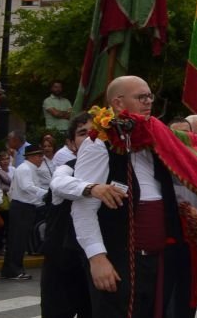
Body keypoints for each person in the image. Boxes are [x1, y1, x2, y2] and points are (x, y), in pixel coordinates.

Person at [72, 75, 187, 318]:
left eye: (149, 96)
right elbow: (83, 208)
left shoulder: (155, 141)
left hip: (157, 263)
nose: (148, 102)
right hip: (119, 263)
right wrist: (97, 258)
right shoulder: (97, 143)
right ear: (118, 103)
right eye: (140, 97)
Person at [44, 112, 124, 318]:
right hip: (63, 262)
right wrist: (91, 187)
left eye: (95, 132)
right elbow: (58, 184)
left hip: (93, 261)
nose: (90, 136)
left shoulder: (114, 165)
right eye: (82, 133)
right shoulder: (66, 168)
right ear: (71, 144)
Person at [1, 145, 45, 280]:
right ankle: (14, 270)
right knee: (17, 240)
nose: (41, 159)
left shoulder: (30, 169)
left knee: (18, 239)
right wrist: (45, 194)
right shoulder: (25, 169)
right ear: (31, 157)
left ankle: (9, 270)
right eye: (38, 156)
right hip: (22, 207)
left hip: (26, 207)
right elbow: (27, 187)